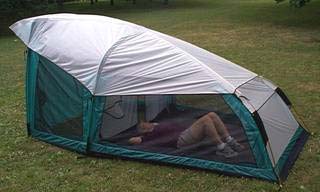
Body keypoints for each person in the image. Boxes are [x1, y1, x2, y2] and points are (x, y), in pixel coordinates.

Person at [128, 112, 244, 158]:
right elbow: (132, 141)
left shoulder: (155, 124)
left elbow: (150, 123)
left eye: (144, 123)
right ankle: (222, 148)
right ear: (143, 131)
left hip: (186, 132)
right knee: (205, 120)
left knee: (212, 115)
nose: (145, 125)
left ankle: (229, 140)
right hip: (181, 140)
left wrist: (151, 125)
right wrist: (141, 135)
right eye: (142, 127)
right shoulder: (148, 136)